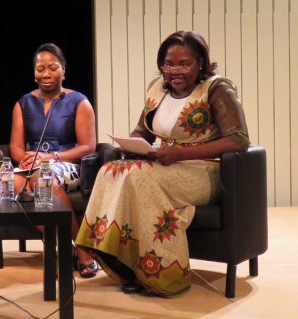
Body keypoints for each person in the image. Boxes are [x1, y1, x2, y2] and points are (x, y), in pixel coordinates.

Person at [75, 31, 249, 297]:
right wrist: (131, 144)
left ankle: (164, 275)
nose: (174, 71)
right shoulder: (157, 88)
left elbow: (238, 140)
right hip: (166, 164)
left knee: (141, 179)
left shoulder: (216, 89)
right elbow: (142, 131)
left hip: (204, 170)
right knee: (109, 170)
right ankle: (126, 266)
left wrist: (179, 154)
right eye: (168, 64)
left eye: (184, 64)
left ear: (200, 62)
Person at [9, 43, 98, 278]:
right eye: (40, 69)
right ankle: (67, 246)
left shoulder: (79, 101)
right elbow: (16, 147)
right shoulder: (23, 103)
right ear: (34, 72)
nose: (46, 74)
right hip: (34, 165)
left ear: (64, 70)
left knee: (43, 176)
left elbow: (88, 146)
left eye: (52, 68)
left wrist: (51, 157)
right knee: (13, 185)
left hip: (68, 163)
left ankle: (83, 247)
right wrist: (26, 160)